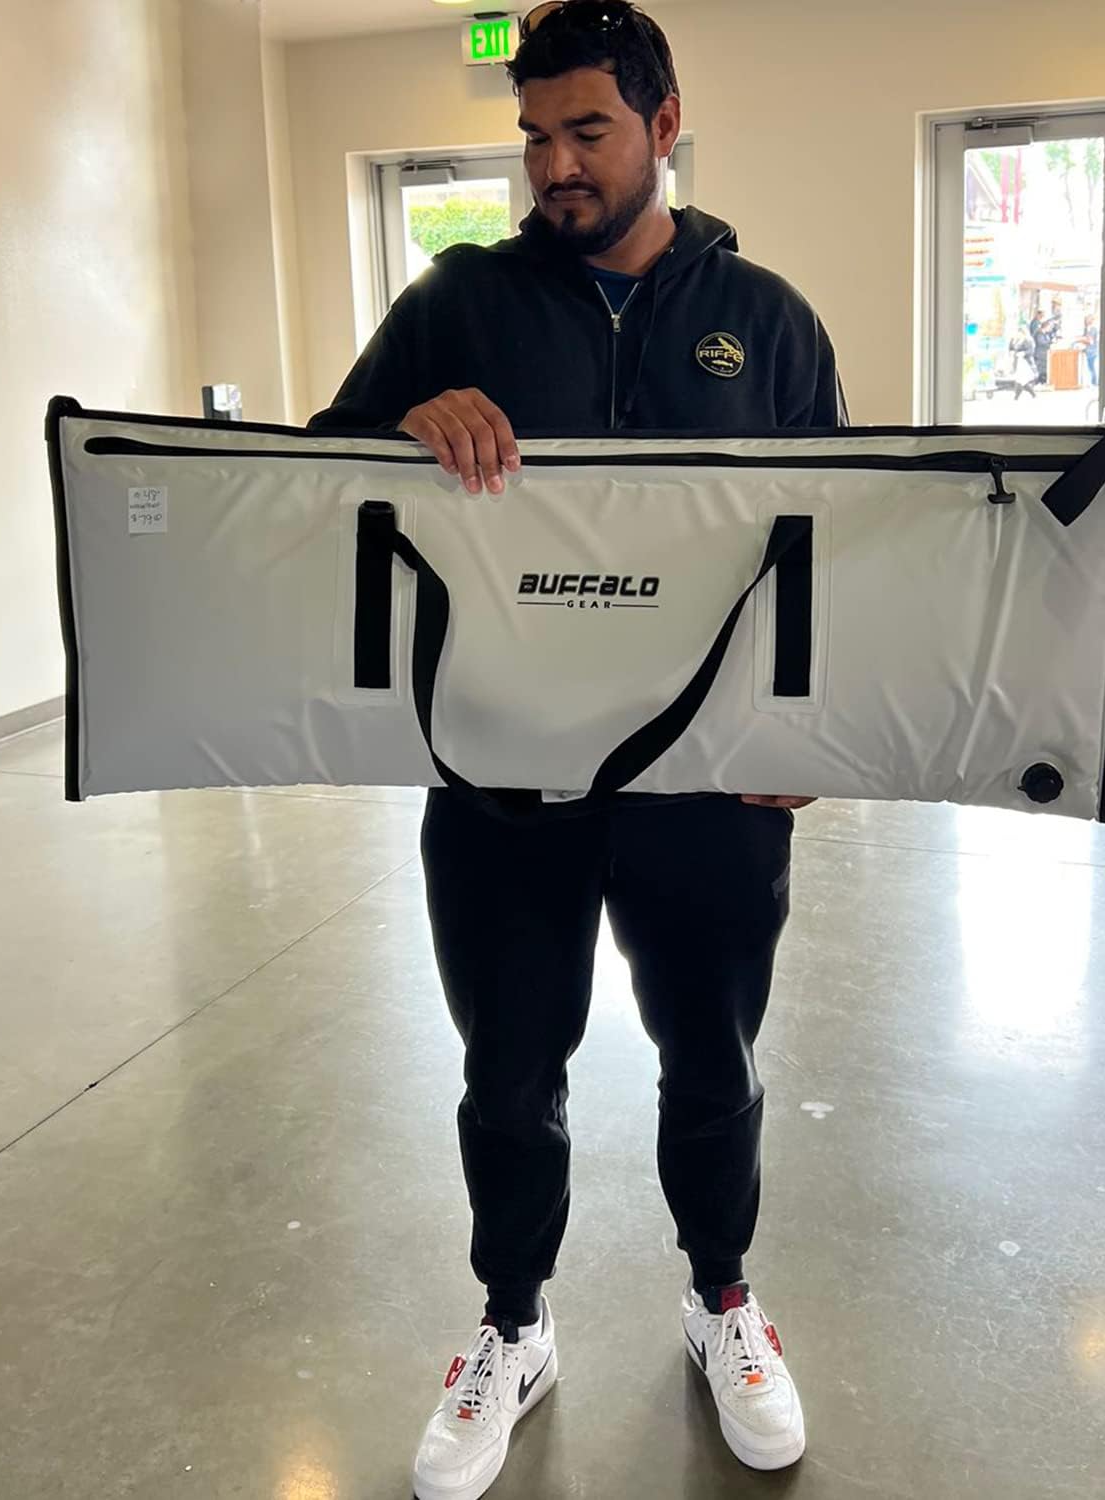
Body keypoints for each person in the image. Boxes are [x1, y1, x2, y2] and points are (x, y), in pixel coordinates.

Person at [308, 5, 843, 1495]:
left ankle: (722, 1299)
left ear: (665, 125)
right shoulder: (456, 302)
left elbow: (835, 547)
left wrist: (817, 731)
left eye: (588, 130)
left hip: (706, 784)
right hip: (501, 777)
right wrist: (404, 423)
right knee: (508, 1067)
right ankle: (511, 1325)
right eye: (534, 135)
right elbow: (318, 477)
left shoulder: (770, 321)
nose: (555, 165)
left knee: (712, 1057)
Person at [1007, 325, 1039, 400]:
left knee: (1021, 379)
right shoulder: (1015, 340)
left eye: (1020, 332)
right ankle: (1032, 394)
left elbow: (1031, 351)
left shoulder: (1028, 340)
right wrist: (1011, 351)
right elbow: (1011, 348)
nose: (1018, 334)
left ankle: (1017, 397)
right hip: (1017, 362)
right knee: (1020, 379)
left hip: (1025, 362)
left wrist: (1023, 353)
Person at [1078, 312, 1099, 388]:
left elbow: (1090, 341)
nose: (1085, 322)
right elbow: (1085, 337)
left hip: (1092, 350)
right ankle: (1092, 382)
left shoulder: (1093, 329)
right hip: (1088, 350)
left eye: (1086, 320)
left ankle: (1094, 382)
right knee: (1090, 367)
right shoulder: (1086, 329)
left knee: (1091, 367)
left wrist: (1079, 339)